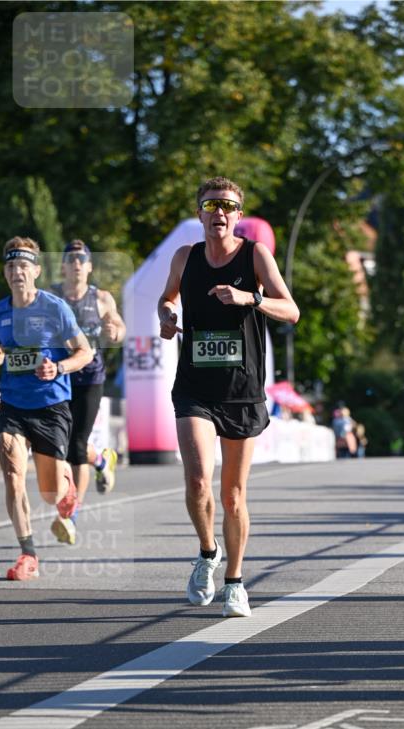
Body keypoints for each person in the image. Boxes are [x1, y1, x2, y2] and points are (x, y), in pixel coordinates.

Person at [158, 176, 299, 617]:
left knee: (233, 494)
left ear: (238, 215)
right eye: (210, 204)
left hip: (241, 390)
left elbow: (291, 310)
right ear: (199, 213)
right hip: (196, 387)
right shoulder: (186, 257)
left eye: (227, 205)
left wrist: (250, 298)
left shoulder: (256, 255)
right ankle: (207, 552)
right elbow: (167, 299)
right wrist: (166, 315)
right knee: (198, 480)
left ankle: (235, 582)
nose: (218, 212)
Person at [0, 237, 93, 579]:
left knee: (50, 494)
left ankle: (67, 489)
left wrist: (58, 367)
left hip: (51, 406)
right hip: (13, 404)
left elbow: (84, 352)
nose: (17, 271)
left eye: (24, 266)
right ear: (5, 272)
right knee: (13, 475)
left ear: (37, 271)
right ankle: (27, 554)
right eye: (11, 266)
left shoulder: (55, 307)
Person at [51, 239, 126, 543]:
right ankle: (101, 460)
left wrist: (114, 331)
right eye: (71, 259)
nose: (77, 264)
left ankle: (71, 515)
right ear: (64, 266)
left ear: (90, 266)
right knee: (61, 443)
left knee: (76, 444)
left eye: (82, 259)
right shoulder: (51, 297)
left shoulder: (102, 298)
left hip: (90, 379)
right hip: (56, 378)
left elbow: (119, 328)